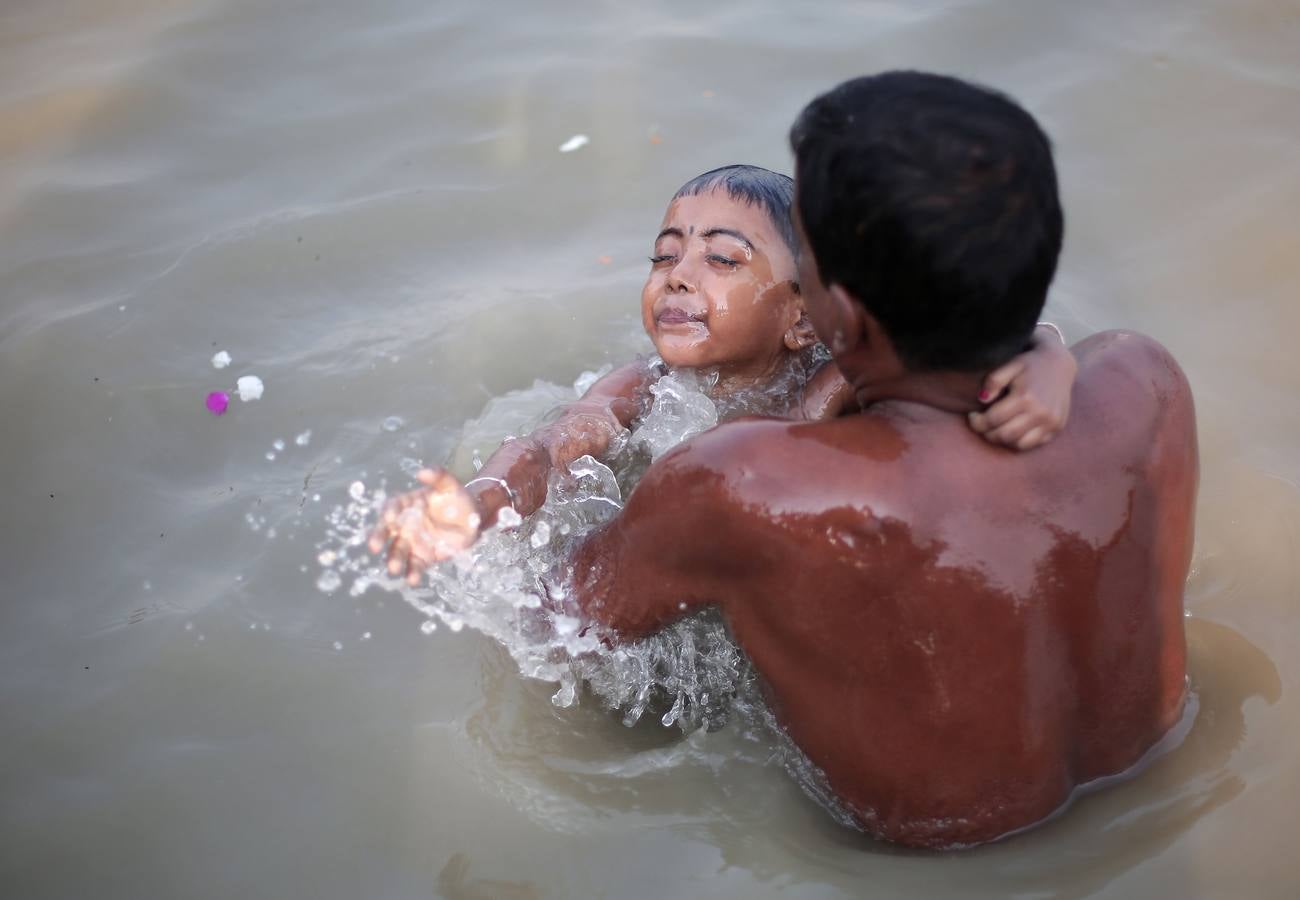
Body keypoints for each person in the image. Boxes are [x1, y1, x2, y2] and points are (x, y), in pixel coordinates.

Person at [548, 72, 1197, 847]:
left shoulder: (742, 479)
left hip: (929, 858)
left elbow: (561, 625)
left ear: (828, 315)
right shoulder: (1144, 379)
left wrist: (535, 475)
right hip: (1161, 780)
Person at [370, 165, 1076, 578]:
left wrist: (1048, 360)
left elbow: (975, 332)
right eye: (664, 254)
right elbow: (556, 443)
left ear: (803, 318)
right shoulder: (642, 388)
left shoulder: (833, 380)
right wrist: (477, 504)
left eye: (723, 260)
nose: (677, 278)